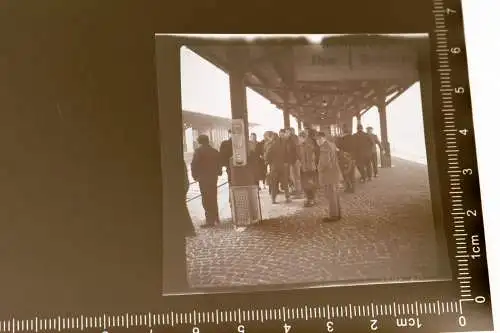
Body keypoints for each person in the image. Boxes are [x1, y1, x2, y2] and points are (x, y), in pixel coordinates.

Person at [191, 135, 222, 228]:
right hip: (213, 178)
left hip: (203, 179)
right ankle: (216, 217)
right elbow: (219, 164)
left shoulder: (198, 151)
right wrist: (218, 172)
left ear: (200, 141)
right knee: (213, 197)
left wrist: (195, 176)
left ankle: (209, 220)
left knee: (206, 199)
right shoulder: (214, 151)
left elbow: (194, 164)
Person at [316, 131, 342, 222]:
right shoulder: (332, 144)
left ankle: (333, 216)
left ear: (322, 138)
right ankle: (338, 214)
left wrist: (318, 169)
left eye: (318, 139)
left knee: (331, 195)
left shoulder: (324, 148)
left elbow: (324, 162)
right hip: (335, 173)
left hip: (329, 174)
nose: (317, 142)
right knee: (335, 195)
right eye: (316, 140)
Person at [264, 130, 291, 204]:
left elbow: (267, 156)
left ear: (272, 137)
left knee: (274, 183)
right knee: (285, 183)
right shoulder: (282, 144)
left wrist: (267, 162)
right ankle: (287, 197)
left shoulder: (271, 145)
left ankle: (273, 199)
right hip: (282, 166)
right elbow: (286, 153)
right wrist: (285, 162)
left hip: (274, 167)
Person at [297, 130, 317, 207]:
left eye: (299, 137)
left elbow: (309, 159)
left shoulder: (307, 146)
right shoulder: (303, 145)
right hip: (306, 168)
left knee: (308, 185)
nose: (298, 139)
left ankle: (311, 200)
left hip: (308, 169)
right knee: (307, 185)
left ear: (303, 137)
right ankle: (310, 199)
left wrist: (307, 169)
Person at [336, 124, 356, 193]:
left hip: (344, 158)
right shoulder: (353, 138)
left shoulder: (341, 139)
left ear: (343, 130)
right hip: (352, 157)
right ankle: (352, 188)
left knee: (345, 173)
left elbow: (338, 147)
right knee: (351, 173)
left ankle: (348, 187)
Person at [286, 127, 302, 196]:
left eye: (287, 132)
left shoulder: (294, 139)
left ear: (291, 132)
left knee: (296, 176)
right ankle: (297, 190)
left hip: (295, 160)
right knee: (294, 176)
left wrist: (298, 159)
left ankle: (298, 191)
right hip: (292, 160)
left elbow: (297, 149)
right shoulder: (290, 139)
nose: (286, 134)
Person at [219, 129, 233, 202]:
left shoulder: (224, 143)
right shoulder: (225, 143)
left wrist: (223, 165)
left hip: (229, 166)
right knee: (231, 181)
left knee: (231, 181)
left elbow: (221, 155)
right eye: (231, 133)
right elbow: (221, 155)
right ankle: (231, 197)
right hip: (230, 166)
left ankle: (231, 197)